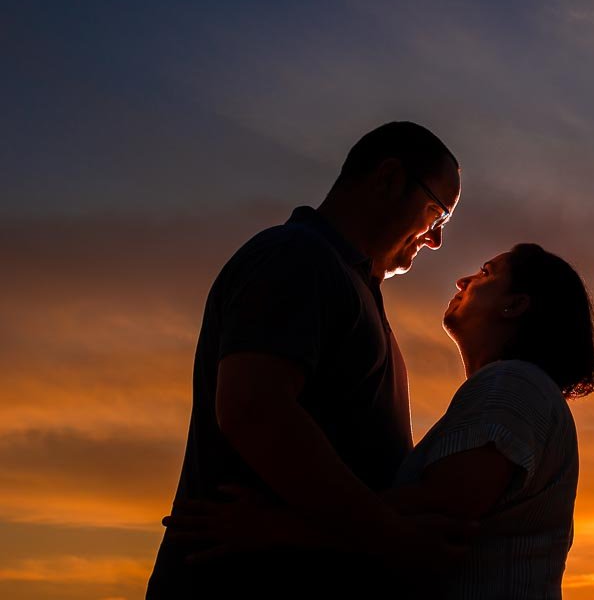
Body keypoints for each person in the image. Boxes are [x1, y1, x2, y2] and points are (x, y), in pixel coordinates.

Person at [164, 243, 594, 599]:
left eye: (487, 272)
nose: (464, 279)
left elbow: (440, 516)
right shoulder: (510, 390)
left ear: (514, 306)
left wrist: (275, 528)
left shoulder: (512, 384)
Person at [148, 121, 462, 598]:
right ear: (390, 179)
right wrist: (396, 539)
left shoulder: (349, 284)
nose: (436, 239)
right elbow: (255, 409)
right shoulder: (297, 257)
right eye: (436, 214)